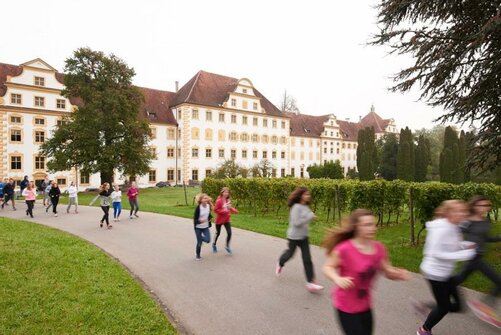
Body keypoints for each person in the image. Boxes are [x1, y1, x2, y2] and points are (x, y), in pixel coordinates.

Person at [322, 208, 409, 335]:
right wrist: (337, 278)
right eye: (367, 225)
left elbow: (387, 271)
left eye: (373, 224)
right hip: (346, 306)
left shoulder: (379, 248)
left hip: (365, 305)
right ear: (357, 227)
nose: (373, 228)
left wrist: (397, 274)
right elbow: (327, 267)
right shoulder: (344, 249)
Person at [416, 200, 477, 335]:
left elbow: (452, 244)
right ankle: (423, 330)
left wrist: (465, 245)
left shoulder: (454, 225)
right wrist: (464, 254)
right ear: (448, 213)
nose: (462, 214)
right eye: (457, 211)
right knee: (444, 307)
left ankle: (426, 307)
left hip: (445, 273)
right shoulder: (442, 229)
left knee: (458, 306)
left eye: (463, 211)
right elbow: (435, 252)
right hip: (434, 274)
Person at [454, 196, 501, 306]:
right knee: (499, 282)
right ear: (474, 206)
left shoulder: (486, 221)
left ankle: (432, 301)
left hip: (478, 256)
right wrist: (462, 245)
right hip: (473, 257)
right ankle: (486, 306)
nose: (485, 208)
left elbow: (486, 238)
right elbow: (454, 233)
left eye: (487, 205)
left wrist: (499, 237)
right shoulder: (467, 221)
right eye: (482, 205)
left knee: (457, 280)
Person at [275, 187, 323, 293]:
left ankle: (310, 282)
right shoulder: (296, 207)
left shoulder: (305, 206)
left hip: (304, 237)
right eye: (306, 194)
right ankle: (280, 262)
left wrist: (311, 216)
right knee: (290, 254)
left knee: (307, 259)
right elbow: (296, 223)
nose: (308, 196)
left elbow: (307, 216)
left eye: (308, 195)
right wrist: (310, 216)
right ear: (300, 195)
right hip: (294, 237)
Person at [213, 187, 238, 254]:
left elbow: (229, 208)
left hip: (227, 220)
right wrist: (224, 211)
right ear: (222, 193)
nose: (226, 193)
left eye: (227, 192)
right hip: (219, 220)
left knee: (229, 233)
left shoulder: (228, 200)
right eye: (225, 192)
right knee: (218, 233)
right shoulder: (219, 201)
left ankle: (227, 246)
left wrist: (234, 210)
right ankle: (214, 244)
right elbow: (215, 210)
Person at [193, 193, 213, 260]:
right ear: (201, 200)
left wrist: (211, 218)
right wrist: (200, 221)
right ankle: (198, 256)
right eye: (204, 198)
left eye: (206, 198)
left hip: (205, 227)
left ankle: (200, 238)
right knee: (199, 243)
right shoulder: (198, 208)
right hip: (198, 227)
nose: (206, 199)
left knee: (208, 240)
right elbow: (195, 220)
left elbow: (208, 214)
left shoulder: (208, 206)